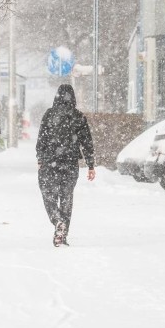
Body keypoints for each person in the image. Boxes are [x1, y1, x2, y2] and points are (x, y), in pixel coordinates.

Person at [36, 84, 96, 247]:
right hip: (70, 164)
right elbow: (87, 142)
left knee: (48, 195)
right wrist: (90, 165)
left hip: (50, 162)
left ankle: (57, 220)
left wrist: (40, 158)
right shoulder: (78, 116)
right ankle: (62, 235)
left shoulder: (49, 114)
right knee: (66, 199)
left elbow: (41, 138)